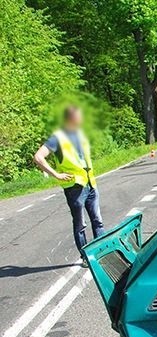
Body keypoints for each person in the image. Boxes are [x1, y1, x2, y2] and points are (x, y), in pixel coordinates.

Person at [33, 106, 105, 266]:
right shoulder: (57, 138)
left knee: (97, 220)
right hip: (74, 187)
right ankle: (86, 257)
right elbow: (38, 157)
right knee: (80, 224)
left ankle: (102, 253)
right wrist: (56, 175)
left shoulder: (81, 134)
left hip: (90, 183)